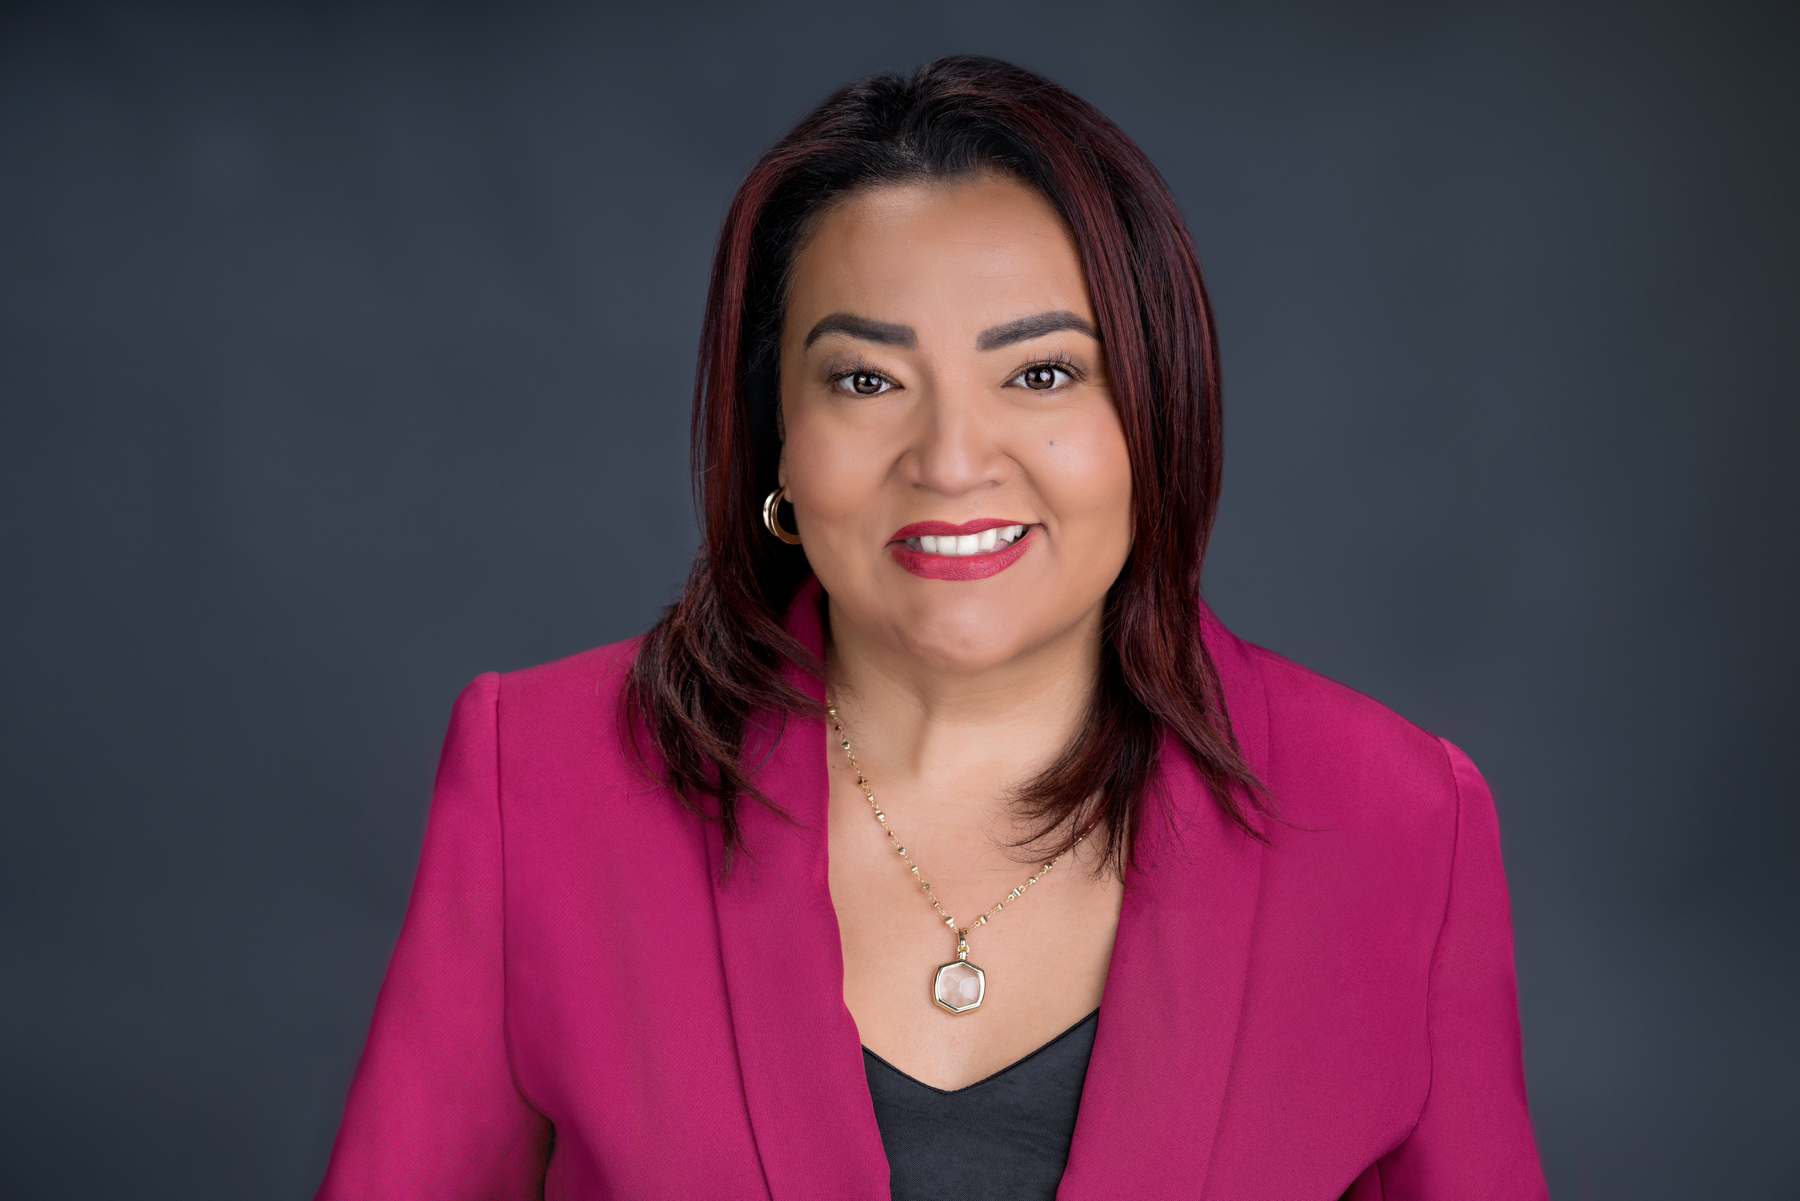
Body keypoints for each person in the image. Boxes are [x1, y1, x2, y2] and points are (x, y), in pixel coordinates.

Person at [316, 56, 1548, 1200]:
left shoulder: (1397, 822)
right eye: (865, 380)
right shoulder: (539, 773)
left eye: (1043, 373)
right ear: (777, 441)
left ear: (1154, 414)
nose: (952, 461)